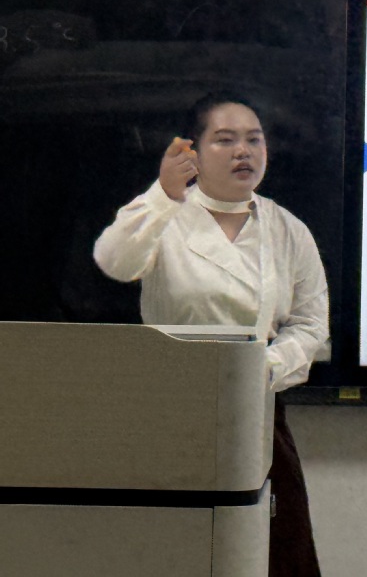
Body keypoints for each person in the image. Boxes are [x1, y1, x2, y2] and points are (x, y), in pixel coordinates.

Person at [94, 93, 327, 577]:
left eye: (254, 140)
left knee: (275, 551)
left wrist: (259, 369)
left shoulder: (288, 229)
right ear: (192, 151)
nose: (243, 151)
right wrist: (163, 194)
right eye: (225, 140)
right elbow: (114, 261)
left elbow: (310, 325)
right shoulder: (165, 214)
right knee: (172, 550)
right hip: (168, 410)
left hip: (256, 411)